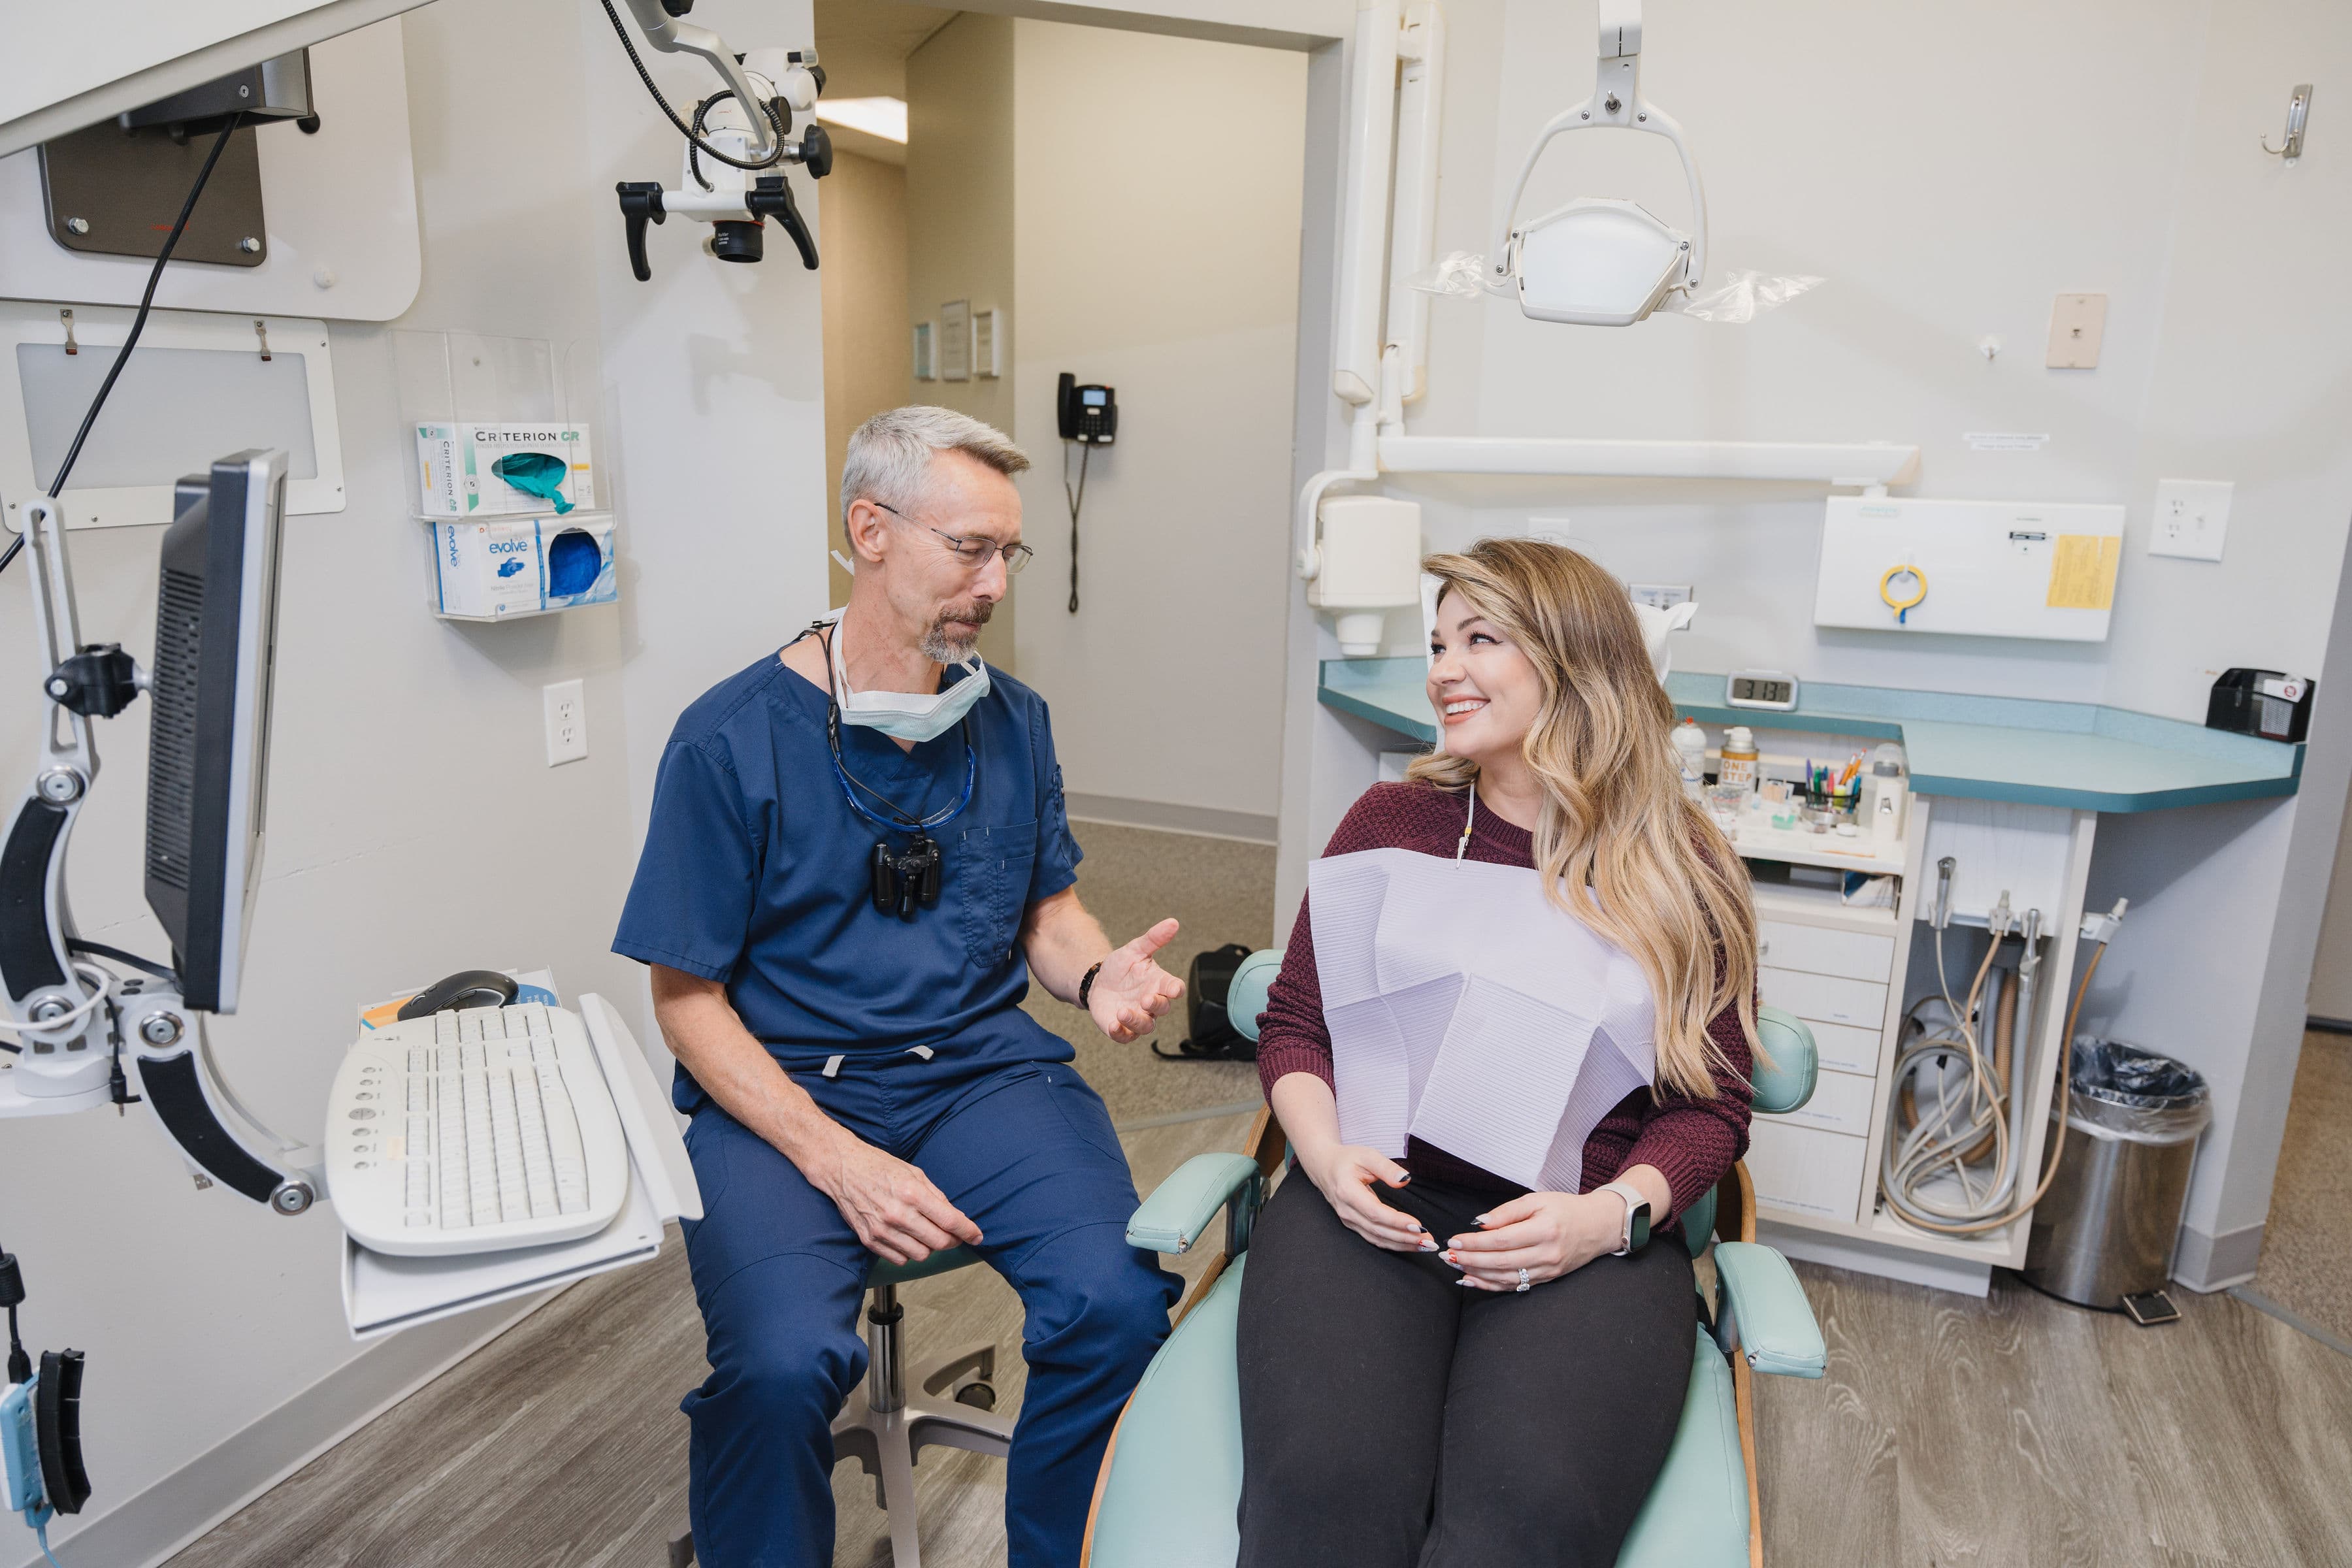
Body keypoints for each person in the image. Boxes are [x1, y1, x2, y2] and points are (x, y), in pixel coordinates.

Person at [614, 406, 1186, 1568]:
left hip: (978, 1074)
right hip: (784, 1096)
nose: (993, 583)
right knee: (779, 1370)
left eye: (1006, 554)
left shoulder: (1010, 720)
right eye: (967, 547)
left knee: (1116, 1304)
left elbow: (1044, 912)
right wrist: (837, 1158)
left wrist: (1093, 973)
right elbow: (684, 1002)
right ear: (868, 531)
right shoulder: (729, 740)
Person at [1236, 537, 1761, 1568]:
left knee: (1523, 1528)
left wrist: (1606, 1221)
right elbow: (1297, 1021)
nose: (1442, 668)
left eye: (1481, 639)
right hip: (1370, 1206)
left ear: (1574, 659)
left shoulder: (1677, 865)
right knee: (1325, 1507)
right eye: (1437, 643)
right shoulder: (1392, 823)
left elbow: (1711, 1109)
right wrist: (1327, 1160)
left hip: (1581, 1237)